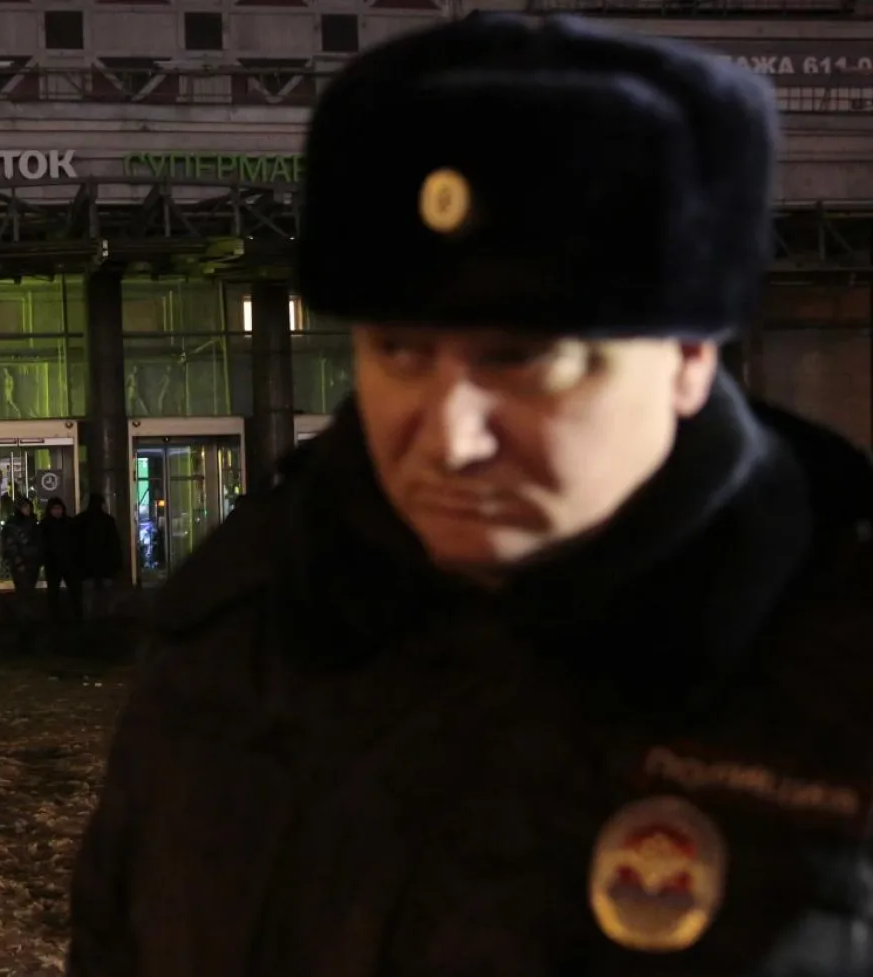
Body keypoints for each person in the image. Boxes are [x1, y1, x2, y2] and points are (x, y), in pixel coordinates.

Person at [68, 13, 873, 977]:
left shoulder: (840, 662)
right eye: (399, 352)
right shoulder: (246, 612)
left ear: (690, 357)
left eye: (523, 360)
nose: (450, 435)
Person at [1, 497, 43, 647]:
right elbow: (10, 546)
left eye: (29, 507)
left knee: (28, 594)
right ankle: (24, 626)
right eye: (25, 507)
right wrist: (18, 562)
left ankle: (27, 625)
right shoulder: (13, 525)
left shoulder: (32, 522)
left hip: (32, 562)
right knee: (24, 595)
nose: (28, 510)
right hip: (23, 564)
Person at [40, 496, 84, 622]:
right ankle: (55, 617)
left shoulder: (70, 523)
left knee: (75, 591)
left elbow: (77, 542)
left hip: (70, 562)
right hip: (53, 563)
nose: (57, 511)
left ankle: (77, 616)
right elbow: (42, 544)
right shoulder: (45, 524)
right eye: (54, 509)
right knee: (53, 591)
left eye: (59, 508)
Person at [73, 493, 123, 592]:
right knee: (105, 598)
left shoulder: (79, 520)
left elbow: (75, 544)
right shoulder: (108, 520)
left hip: (85, 566)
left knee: (88, 597)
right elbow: (114, 544)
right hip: (105, 565)